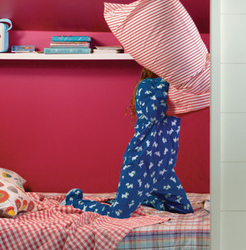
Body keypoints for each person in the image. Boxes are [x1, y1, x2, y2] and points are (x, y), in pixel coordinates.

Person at [62, 68, 193, 218]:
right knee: (117, 214)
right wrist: (165, 80)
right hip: (140, 164)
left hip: (163, 168)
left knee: (184, 209)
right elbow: (154, 113)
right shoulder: (147, 85)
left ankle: (144, 196)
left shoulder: (173, 91)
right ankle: (75, 202)